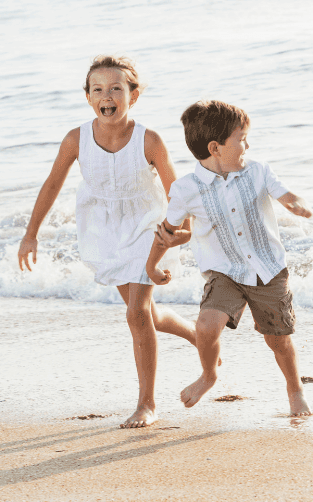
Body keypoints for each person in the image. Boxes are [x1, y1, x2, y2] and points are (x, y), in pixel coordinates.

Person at [17, 55, 195, 429]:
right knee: (144, 314)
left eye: (116, 88)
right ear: (88, 97)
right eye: (98, 89)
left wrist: (182, 230)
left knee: (135, 313)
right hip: (103, 230)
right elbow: (52, 184)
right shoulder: (76, 139)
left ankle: (147, 403)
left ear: (134, 95)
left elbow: (176, 192)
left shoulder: (149, 140)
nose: (107, 95)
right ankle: (194, 333)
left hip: (147, 226)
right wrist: (31, 234)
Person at [146, 100, 313, 417]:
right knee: (206, 326)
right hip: (224, 273)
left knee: (277, 340)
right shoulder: (185, 189)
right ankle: (209, 375)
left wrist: (297, 203)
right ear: (215, 147)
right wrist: (151, 265)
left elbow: (286, 194)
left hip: (267, 269)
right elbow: (168, 231)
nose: (247, 145)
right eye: (241, 138)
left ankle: (295, 388)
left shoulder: (258, 171)